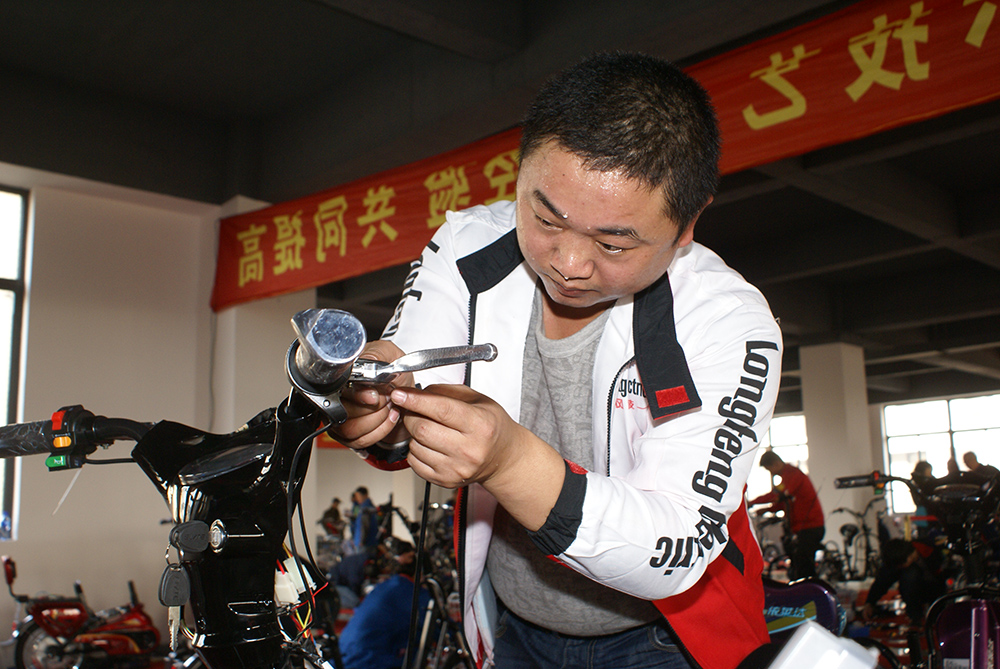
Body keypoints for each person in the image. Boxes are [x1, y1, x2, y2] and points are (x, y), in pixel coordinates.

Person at [330, 52, 783, 669]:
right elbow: (410, 379)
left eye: (613, 243)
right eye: (546, 218)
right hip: (515, 624)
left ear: (686, 225)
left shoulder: (728, 322)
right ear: (519, 174)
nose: (568, 264)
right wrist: (372, 408)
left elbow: (676, 542)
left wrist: (510, 459)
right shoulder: (466, 246)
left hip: (663, 639)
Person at [338, 542, 431, 669]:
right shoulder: (412, 593)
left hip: (346, 655)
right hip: (367, 660)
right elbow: (431, 627)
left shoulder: (387, 586)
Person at [749, 451, 825, 581]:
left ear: (776, 463)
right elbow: (784, 503)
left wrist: (752, 502)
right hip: (801, 527)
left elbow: (778, 495)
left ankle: (809, 591)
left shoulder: (793, 475)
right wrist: (766, 509)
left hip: (809, 527)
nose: (771, 472)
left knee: (804, 567)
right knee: (797, 564)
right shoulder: (787, 477)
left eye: (769, 469)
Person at [861, 538, 946, 626]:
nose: (899, 567)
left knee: (910, 575)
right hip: (919, 594)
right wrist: (869, 602)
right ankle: (915, 617)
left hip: (938, 589)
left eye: (900, 565)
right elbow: (883, 580)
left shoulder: (928, 550)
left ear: (908, 558)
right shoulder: (902, 559)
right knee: (908, 575)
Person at [349, 486, 380, 554]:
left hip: (364, 543)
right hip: (370, 542)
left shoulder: (365, 509)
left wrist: (361, 541)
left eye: (358, 496)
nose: (357, 498)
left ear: (365, 495)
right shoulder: (370, 507)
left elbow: (363, 525)